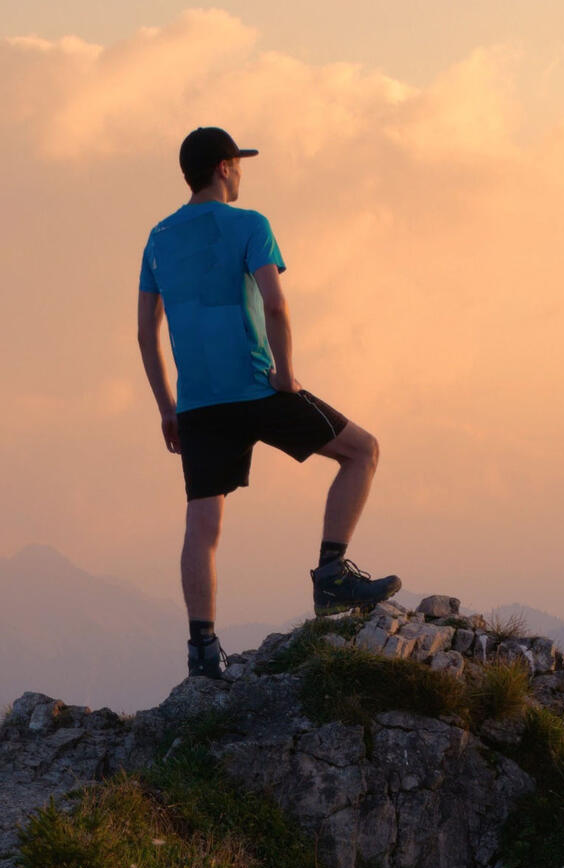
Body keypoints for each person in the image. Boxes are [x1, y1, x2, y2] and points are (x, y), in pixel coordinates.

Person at [137, 126, 400, 679]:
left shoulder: (158, 238)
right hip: (259, 389)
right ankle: (331, 576)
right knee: (363, 452)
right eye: (239, 163)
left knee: (202, 526)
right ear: (225, 168)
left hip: (199, 405)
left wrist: (168, 407)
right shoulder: (250, 225)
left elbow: (145, 333)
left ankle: (203, 652)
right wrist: (286, 375)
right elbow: (276, 306)